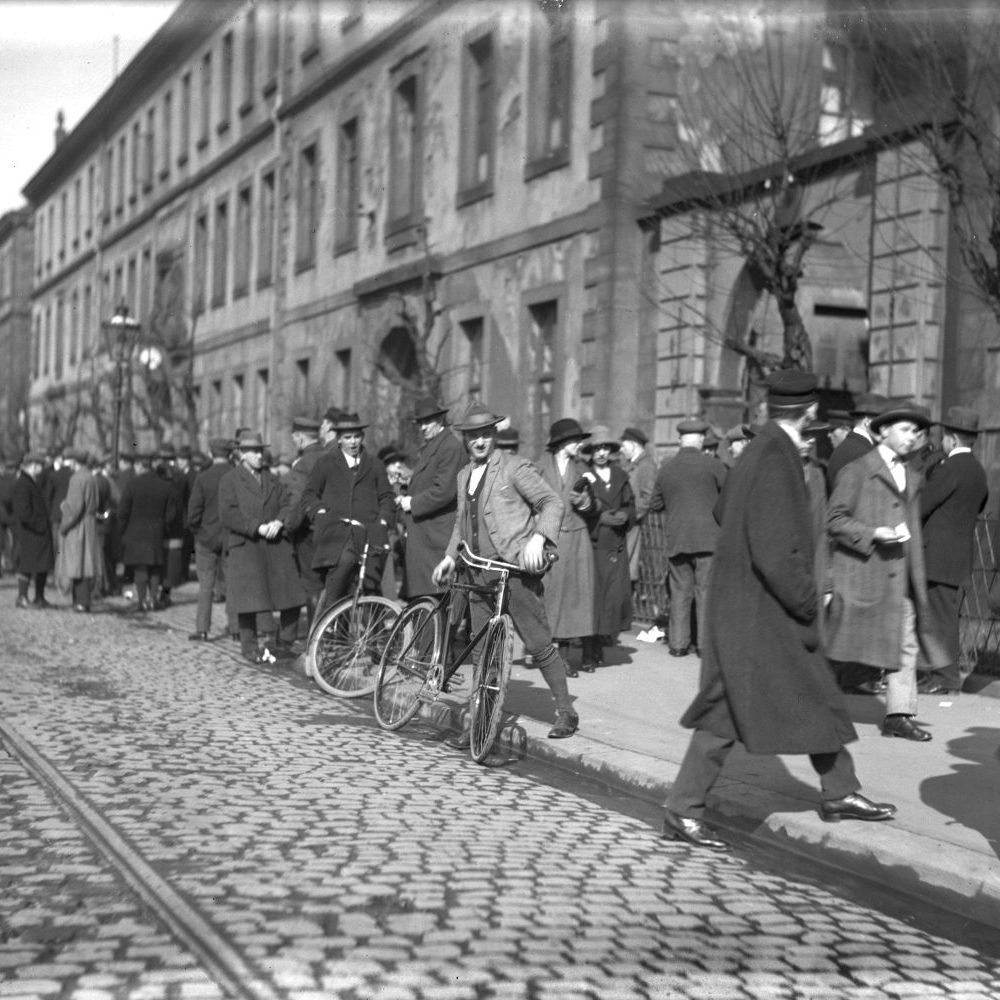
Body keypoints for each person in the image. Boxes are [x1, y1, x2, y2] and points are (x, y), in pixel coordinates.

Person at [661, 371, 896, 852]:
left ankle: (840, 791)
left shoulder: (761, 450)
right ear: (809, 414)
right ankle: (683, 810)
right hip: (762, 613)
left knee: (811, 692)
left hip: (749, 609)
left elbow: (727, 513)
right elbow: (774, 547)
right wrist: (807, 603)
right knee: (728, 711)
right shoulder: (776, 456)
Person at [432, 402, 578, 740]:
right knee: (482, 649)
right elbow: (460, 523)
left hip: (513, 572)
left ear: (493, 435)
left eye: (486, 434)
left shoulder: (514, 468)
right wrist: (450, 558)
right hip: (476, 574)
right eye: (473, 436)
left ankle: (566, 712)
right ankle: (478, 722)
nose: (480, 441)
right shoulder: (463, 476)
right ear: (465, 439)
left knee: (539, 643)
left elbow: (551, 503)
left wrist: (539, 539)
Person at [826, 399, 950, 742]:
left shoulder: (912, 474)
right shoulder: (857, 470)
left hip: (900, 577)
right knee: (843, 647)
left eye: (917, 432)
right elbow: (834, 520)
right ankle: (808, 701)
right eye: (906, 430)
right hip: (863, 575)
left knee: (905, 643)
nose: (912, 438)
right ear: (882, 431)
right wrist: (872, 534)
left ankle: (899, 713)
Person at [918, 406, 989, 695]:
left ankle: (945, 678)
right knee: (946, 615)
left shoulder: (949, 469)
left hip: (936, 554)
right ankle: (939, 674)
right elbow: (980, 505)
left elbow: (922, 505)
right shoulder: (978, 471)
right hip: (959, 554)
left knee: (939, 619)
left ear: (952, 439)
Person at [219, 431, 306, 664]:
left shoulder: (271, 479)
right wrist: (255, 527)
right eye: (253, 452)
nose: (259, 456)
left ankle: (284, 642)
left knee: (292, 595)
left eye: (260, 451)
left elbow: (289, 504)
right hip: (246, 544)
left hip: (275, 544)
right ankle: (249, 646)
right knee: (248, 600)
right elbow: (228, 514)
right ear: (241, 454)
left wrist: (279, 522)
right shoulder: (230, 480)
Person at [303, 411, 395, 613]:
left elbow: (387, 497)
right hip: (336, 535)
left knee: (370, 587)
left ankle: (373, 637)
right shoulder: (325, 464)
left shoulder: (374, 465)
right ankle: (327, 632)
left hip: (369, 533)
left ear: (362, 437)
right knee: (341, 573)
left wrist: (383, 520)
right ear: (339, 439)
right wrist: (319, 512)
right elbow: (309, 495)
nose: (353, 442)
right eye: (347, 438)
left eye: (356, 437)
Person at [651, 417, 726, 656]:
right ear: (702, 440)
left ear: (679, 440)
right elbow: (730, 497)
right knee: (705, 592)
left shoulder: (666, 468)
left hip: (678, 539)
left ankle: (678, 645)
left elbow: (654, 503)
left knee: (680, 593)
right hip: (709, 539)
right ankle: (704, 646)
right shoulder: (714, 466)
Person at [538, 418, 597, 674]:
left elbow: (596, 507)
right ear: (563, 443)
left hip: (576, 538)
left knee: (574, 598)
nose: (579, 444)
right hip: (549, 538)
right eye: (575, 441)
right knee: (550, 596)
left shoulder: (583, 469)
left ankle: (564, 657)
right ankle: (547, 653)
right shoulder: (539, 468)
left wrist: (585, 502)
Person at [398, 396, 466, 599]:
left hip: (435, 538)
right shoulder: (436, 445)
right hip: (426, 536)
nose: (423, 427)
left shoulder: (449, 447)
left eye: (428, 422)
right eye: (420, 423)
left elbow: (444, 491)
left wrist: (412, 503)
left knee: (433, 603)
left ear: (440, 421)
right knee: (426, 604)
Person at [581, 425, 635, 663]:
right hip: (593, 546)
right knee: (591, 598)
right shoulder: (584, 476)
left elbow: (630, 504)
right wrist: (599, 517)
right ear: (590, 452)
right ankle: (587, 650)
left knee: (611, 598)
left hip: (615, 544)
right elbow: (578, 508)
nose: (601, 453)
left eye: (605, 448)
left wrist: (625, 516)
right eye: (596, 449)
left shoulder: (621, 476)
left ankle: (602, 643)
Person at [187, 437, 237, 641]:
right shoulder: (236, 476)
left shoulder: (203, 478)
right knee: (233, 584)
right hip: (231, 537)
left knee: (206, 584)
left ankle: (202, 629)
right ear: (230, 455)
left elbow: (193, 514)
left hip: (206, 539)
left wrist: (199, 532)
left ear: (210, 454)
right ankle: (236, 628)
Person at [118, 452, 177, 613]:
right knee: (155, 568)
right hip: (156, 532)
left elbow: (123, 511)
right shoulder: (165, 486)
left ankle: (142, 601)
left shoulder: (132, 485)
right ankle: (153, 600)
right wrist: (163, 527)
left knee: (140, 569)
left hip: (135, 533)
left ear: (139, 466)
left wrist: (122, 530)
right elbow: (171, 514)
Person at [285, 416, 327, 627]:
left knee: (313, 586)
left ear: (300, 438)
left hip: (310, 534)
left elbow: (297, 502)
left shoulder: (303, 464)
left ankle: (315, 638)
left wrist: (288, 528)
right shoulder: (335, 456)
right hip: (338, 531)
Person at [55, 449, 103, 612]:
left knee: (78, 564)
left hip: (78, 526)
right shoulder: (91, 477)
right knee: (86, 563)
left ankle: (81, 602)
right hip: (89, 523)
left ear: (75, 462)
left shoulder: (76, 479)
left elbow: (75, 508)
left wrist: (64, 525)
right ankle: (82, 601)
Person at [11, 451, 55, 609]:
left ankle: (39, 596)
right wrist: (39, 525)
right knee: (27, 566)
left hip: (37, 533)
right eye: (40, 465)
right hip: (31, 533)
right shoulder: (23, 483)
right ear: (33, 465)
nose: (41, 468)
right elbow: (23, 512)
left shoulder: (31, 482)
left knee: (41, 566)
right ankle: (22, 597)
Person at [619, 427, 656, 599]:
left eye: (624, 446)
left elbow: (647, 498)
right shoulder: (634, 465)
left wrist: (630, 516)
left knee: (628, 567)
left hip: (634, 525)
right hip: (628, 524)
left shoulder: (646, 466)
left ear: (634, 445)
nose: (621, 449)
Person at [826, 392, 887, 489]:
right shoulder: (863, 452)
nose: (886, 430)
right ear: (868, 422)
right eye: (883, 423)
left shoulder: (849, 446)